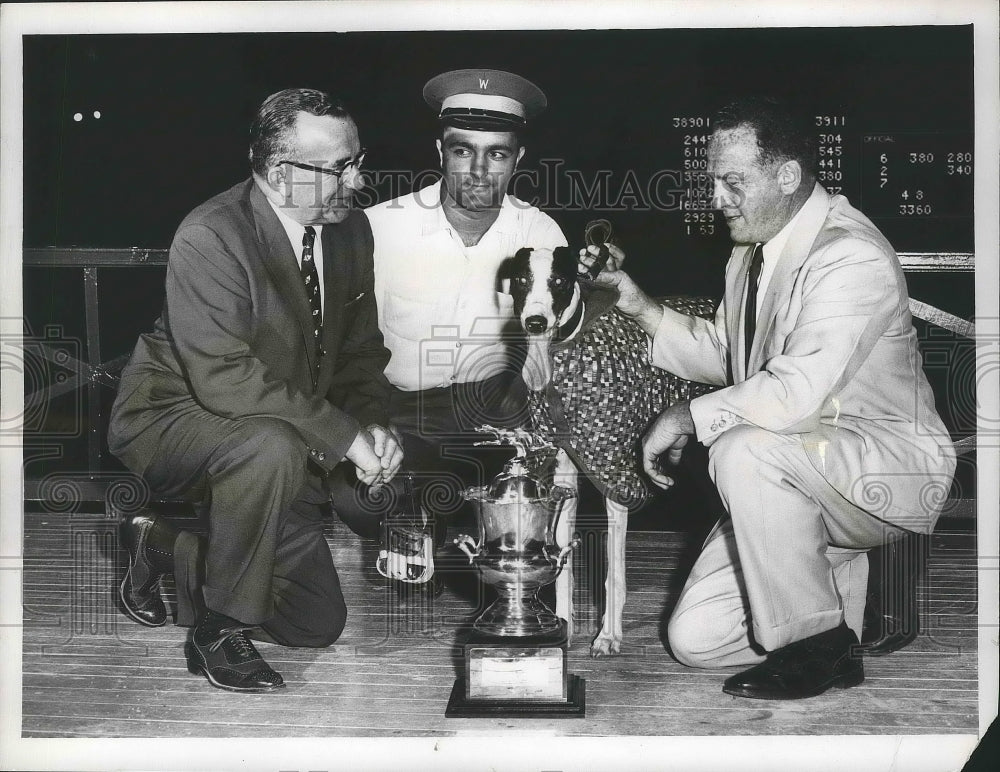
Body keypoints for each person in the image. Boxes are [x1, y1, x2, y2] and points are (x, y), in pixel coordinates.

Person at [580, 96, 956, 700]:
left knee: (742, 449)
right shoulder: (750, 255)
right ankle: (835, 606)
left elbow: (792, 393)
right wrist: (641, 307)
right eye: (712, 182)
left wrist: (682, 417)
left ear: (787, 176)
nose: (716, 199)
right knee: (696, 640)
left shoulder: (849, 255)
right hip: (809, 479)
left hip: (885, 472)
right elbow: (733, 356)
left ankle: (819, 647)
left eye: (732, 182)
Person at [108, 88, 402, 693]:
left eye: (358, 159)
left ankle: (161, 545)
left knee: (315, 623)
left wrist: (372, 422)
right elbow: (224, 379)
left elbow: (360, 353)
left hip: (274, 439)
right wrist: (344, 438)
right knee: (265, 445)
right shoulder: (211, 235)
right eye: (340, 167)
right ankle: (218, 631)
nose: (361, 178)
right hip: (174, 420)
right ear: (279, 174)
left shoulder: (350, 231)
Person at [338, 69, 567, 595]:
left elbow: (555, 341)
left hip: (489, 419)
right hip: (398, 407)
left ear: (519, 159)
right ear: (439, 150)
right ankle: (422, 518)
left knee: (510, 536)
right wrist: (369, 419)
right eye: (464, 151)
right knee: (357, 496)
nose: (480, 170)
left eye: (498, 153)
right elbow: (348, 346)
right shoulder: (378, 228)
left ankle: (448, 529)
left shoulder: (540, 234)